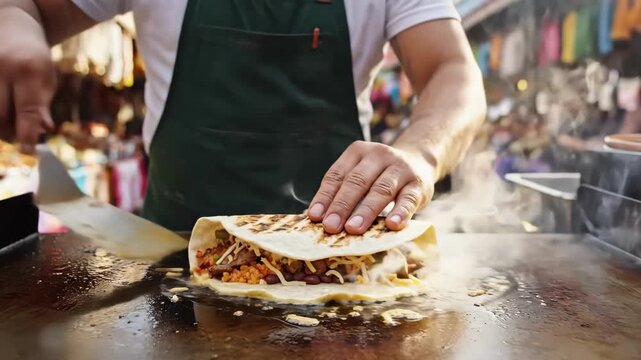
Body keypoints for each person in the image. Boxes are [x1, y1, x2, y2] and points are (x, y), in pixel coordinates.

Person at [0, 0, 486, 234]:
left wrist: (421, 152)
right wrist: (14, 25)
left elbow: (453, 71)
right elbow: (23, 6)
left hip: (336, 255)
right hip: (175, 261)